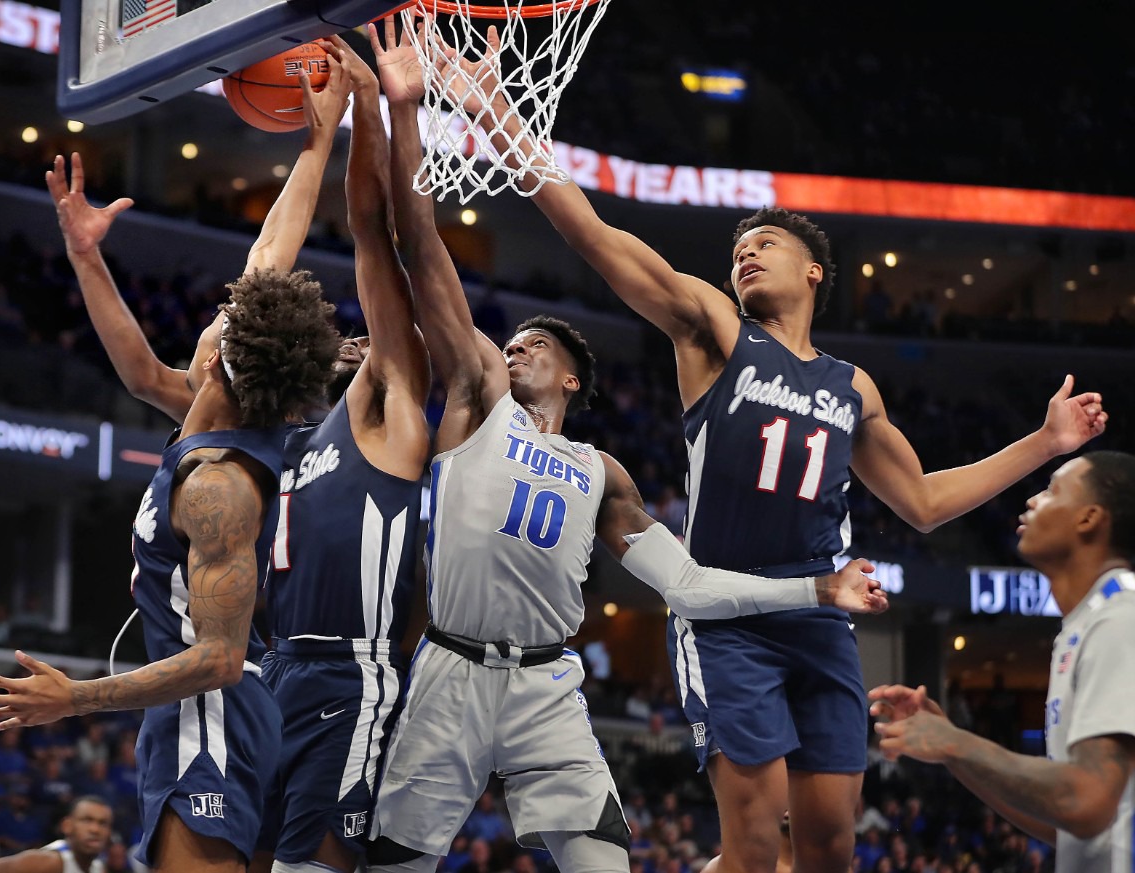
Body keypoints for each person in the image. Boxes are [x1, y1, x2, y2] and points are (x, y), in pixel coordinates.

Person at [458, 41, 1109, 873]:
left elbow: (923, 500)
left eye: (762, 244)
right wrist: (497, 118)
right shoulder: (713, 331)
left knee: (831, 847)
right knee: (754, 844)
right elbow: (592, 233)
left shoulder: (852, 384)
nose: (744, 254)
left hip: (817, 617)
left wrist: (1047, 441)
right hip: (729, 614)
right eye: (738, 250)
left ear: (814, 272)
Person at [364, 20, 886, 873]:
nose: (515, 347)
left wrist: (815, 586)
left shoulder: (600, 472)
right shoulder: (474, 398)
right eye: (512, 342)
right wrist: (408, 115)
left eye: (538, 342)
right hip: (451, 669)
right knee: (396, 863)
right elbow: (418, 248)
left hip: (545, 682)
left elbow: (682, 582)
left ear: (575, 379)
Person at [0, 75, 346, 873]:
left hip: (209, 714)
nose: (215, 313)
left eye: (222, 319)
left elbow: (217, 657)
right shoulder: (202, 412)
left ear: (224, 359)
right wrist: (315, 145)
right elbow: (144, 362)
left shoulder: (219, 483)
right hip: (195, 715)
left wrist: (76, 697)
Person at [256, 38, 430, 873]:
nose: (357, 339)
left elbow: (373, 237)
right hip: (270, 667)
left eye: (371, 338)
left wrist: (373, 110)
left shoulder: (392, 414)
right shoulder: (293, 438)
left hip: (345, 678)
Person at [870, 451, 1135, 873]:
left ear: (1089, 519)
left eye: (1052, 491)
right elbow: (1066, 825)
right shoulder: (1082, 626)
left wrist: (957, 743)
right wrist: (953, 749)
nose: (1032, 499)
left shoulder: (1122, 616)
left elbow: (1086, 803)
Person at [0, 796, 113, 873]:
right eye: (87, 820)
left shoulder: (98, 868)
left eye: (103, 823)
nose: (95, 829)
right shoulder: (47, 862)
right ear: (67, 826)